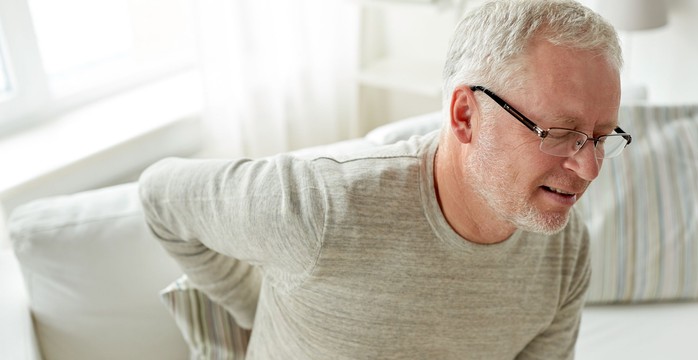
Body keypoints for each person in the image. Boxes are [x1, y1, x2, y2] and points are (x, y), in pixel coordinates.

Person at [139, 0, 629, 358]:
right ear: (465, 116)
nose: (588, 169)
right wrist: (261, 304)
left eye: (601, 136)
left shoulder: (565, 248)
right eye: (561, 133)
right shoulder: (320, 207)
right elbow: (160, 195)